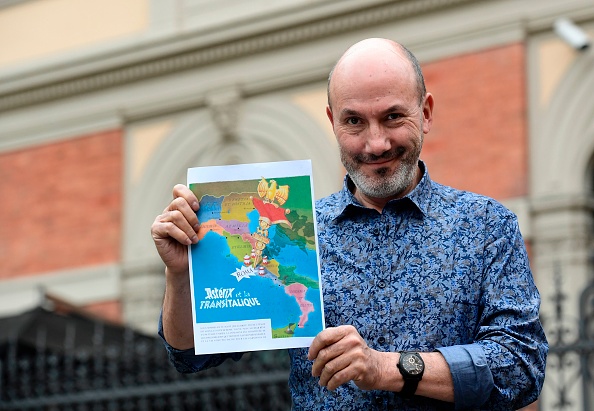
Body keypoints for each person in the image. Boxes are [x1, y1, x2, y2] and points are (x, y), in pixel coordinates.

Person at [151, 38, 548, 410]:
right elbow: (190, 354)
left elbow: (521, 364)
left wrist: (387, 369)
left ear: (425, 113)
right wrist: (180, 274)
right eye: (354, 121)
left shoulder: (486, 227)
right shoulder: (293, 232)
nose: (376, 143)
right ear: (333, 122)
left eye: (393, 117)